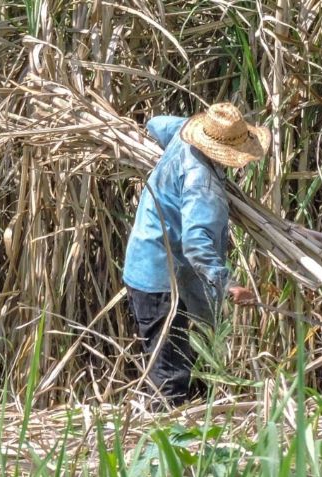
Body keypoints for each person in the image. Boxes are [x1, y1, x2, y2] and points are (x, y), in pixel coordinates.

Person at [123, 102, 271, 407]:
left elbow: (155, 123)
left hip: (145, 262)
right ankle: (166, 444)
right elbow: (196, 243)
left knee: (189, 358)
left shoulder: (183, 133)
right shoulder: (203, 186)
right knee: (171, 376)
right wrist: (228, 284)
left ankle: (189, 433)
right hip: (162, 281)